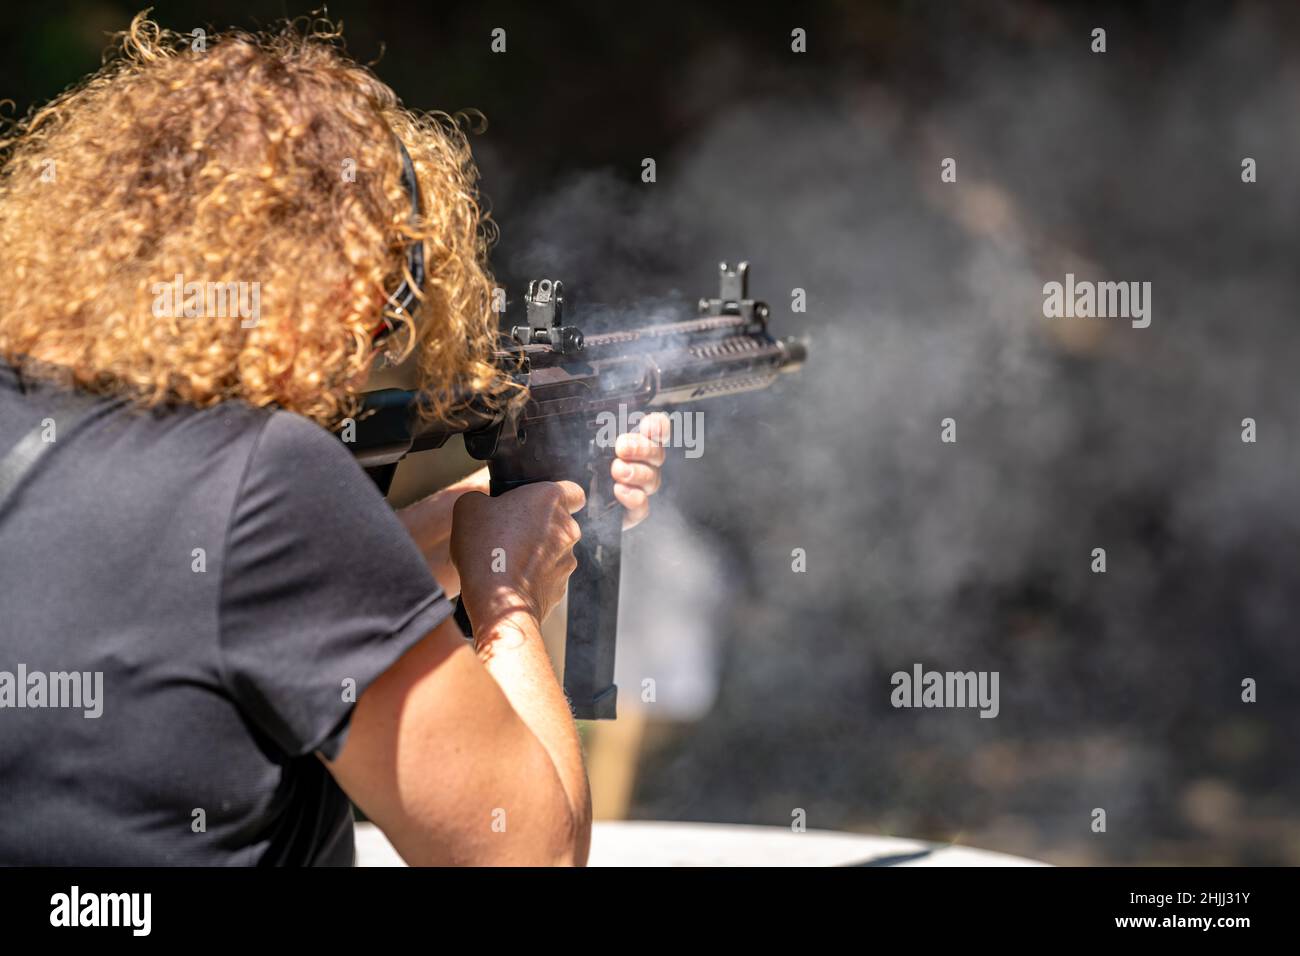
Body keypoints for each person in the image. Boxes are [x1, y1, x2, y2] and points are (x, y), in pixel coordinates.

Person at [0, 13, 668, 866]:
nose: (377, 345)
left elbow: (228, 594)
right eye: (392, 308)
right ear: (349, 288)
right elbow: (523, 853)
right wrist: (508, 592)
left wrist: (479, 512)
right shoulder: (267, 474)